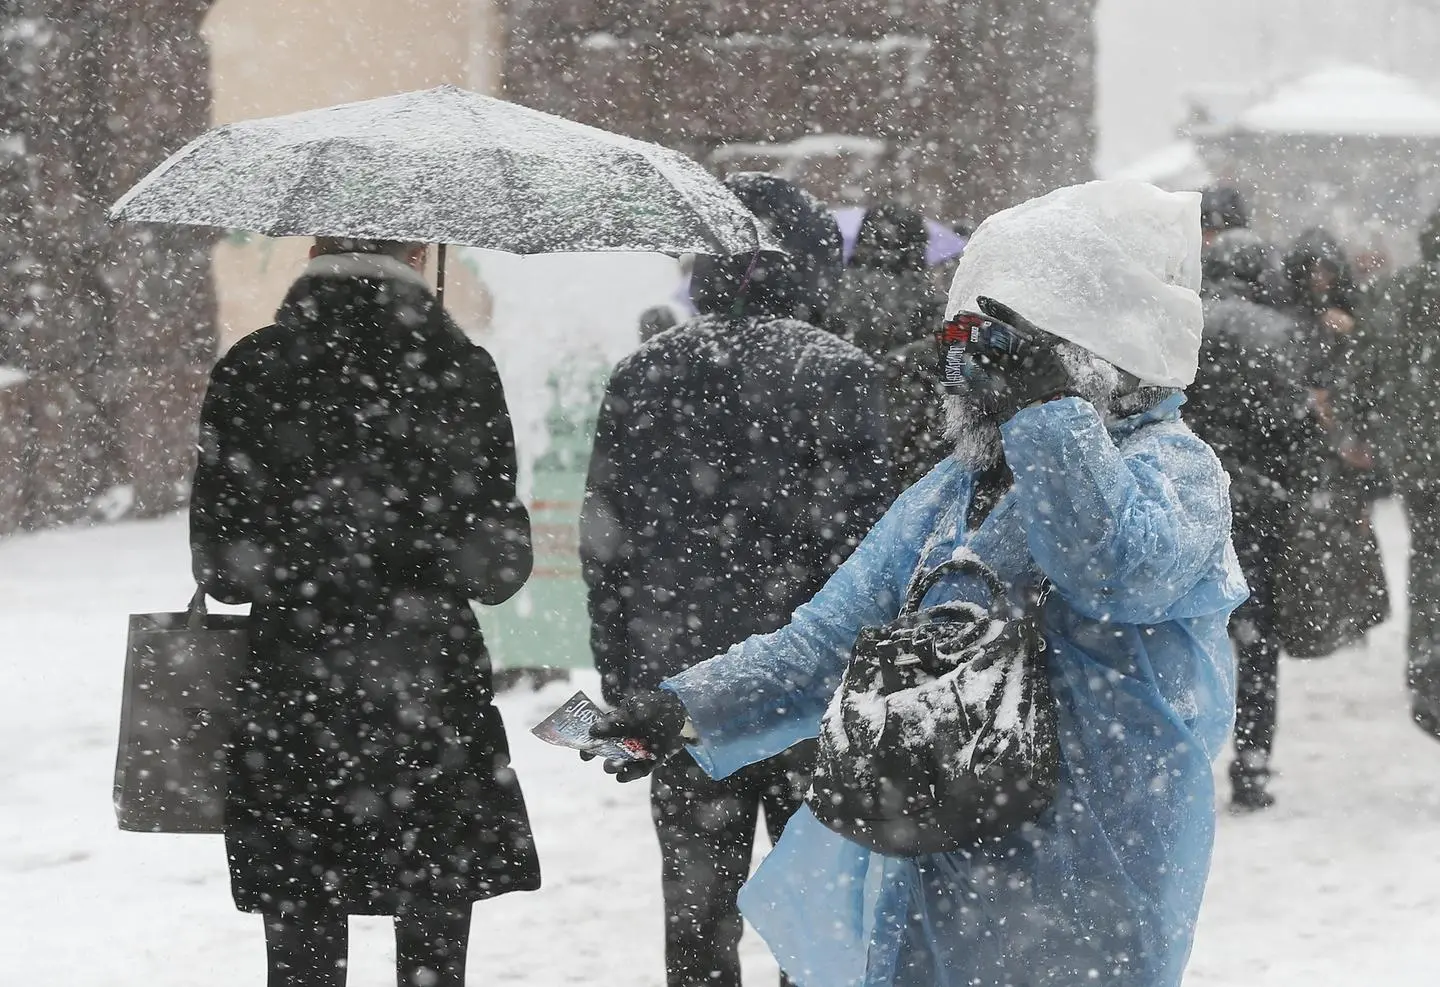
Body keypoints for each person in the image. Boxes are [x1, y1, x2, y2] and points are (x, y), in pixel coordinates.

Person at [590, 181, 1245, 987]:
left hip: (1092, 868)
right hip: (945, 851)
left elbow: (1111, 565)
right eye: (962, 343)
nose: (965, 372)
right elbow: (825, 641)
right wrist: (685, 707)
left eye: (1000, 349)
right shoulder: (957, 489)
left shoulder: (1172, 467)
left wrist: (1049, 416)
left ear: (1087, 358)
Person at [190, 237, 539, 987]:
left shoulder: (251, 371)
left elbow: (222, 570)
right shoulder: (460, 371)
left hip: (293, 709)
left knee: (303, 956)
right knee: (433, 947)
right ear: (417, 254)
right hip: (428, 705)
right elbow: (500, 569)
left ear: (313, 252)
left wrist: (313, 552)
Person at [580, 173, 893, 987]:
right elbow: (869, 556)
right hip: (809, 693)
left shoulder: (642, 372)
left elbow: (605, 547)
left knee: (695, 921)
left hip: (682, 689)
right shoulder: (844, 375)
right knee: (816, 922)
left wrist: (626, 684)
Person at [1188, 228, 1320, 810]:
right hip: (1259, 502)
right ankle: (1252, 762)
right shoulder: (1278, 333)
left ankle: (1184, 759)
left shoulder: (1180, 326)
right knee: (1258, 637)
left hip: (1189, 493)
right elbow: (1297, 425)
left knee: (1187, 630)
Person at [1367, 208, 1440, 735]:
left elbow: (1368, 361)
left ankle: (1426, 664)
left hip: (1417, 453)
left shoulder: (1396, 291)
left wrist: (1362, 429)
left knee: (1428, 558)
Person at [826, 202, 948, 487]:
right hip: (912, 451)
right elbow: (952, 359)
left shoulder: (832, 294)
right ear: (919, 246)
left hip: (841, 448)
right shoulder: (931, 301)